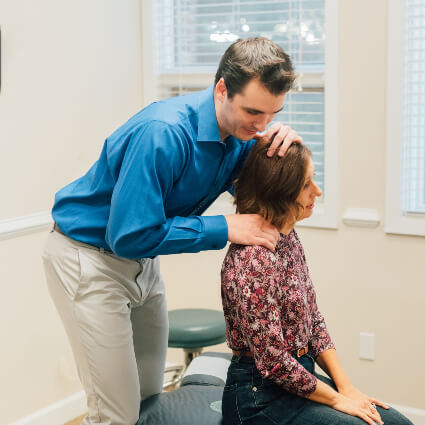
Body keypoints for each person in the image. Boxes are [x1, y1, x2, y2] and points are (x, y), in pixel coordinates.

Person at [42, 37, 302, 425]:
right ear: (221, 90)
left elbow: (261, 198)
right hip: (89, 259)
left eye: (272, 114)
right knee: (116, 414)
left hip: (142, 261)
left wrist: (283, 152)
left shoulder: (243, 136)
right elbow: (128, 234)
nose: (262, 124)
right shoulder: (162, 133)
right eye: (253, 111)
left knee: (150, 399)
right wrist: (224, 227)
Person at [221, 140, 413, 425]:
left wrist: (347, 388)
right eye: (306, 184)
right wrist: (338, 400)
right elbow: (274, 363)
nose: (318, 191)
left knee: (397, 423)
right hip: (258, 397)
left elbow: (314, 322)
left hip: (302, 376)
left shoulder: (287, 237)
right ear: (281, 191)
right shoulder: (253, 259)